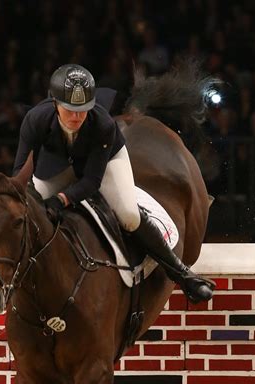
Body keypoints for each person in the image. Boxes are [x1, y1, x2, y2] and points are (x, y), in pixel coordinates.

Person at [13, 64, 214, 303]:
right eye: (70, 109)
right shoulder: (35, 120)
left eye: (83, 109)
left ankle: (182, 273)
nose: (77, 116)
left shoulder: (103, 124)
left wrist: (62, 199)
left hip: (105, 163)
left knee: (129, 215)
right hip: (59, 166)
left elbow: (91, 181)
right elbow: (20, 173)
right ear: (55, 103)